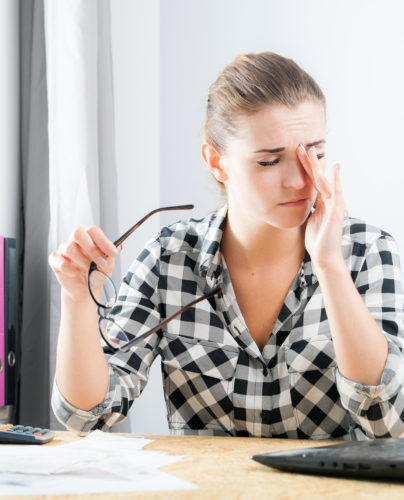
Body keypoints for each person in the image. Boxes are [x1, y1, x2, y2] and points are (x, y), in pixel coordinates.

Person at [49, 52, 404, 439]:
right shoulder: (169, 259)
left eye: (314, 154)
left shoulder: (368, 252)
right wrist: (77, 298)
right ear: (217, 162)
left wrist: (330, 267)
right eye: (270, 161)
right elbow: (88, 417)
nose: (300, 181)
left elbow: (388, 421)